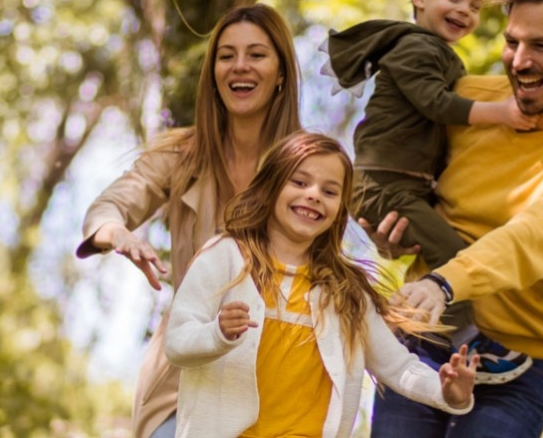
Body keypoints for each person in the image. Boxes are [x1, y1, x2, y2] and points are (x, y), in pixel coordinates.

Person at [364, 0, 543, 438]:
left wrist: (444, 283)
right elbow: (394, 161)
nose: (520, 61)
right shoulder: (467, 102)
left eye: (541, 46)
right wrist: (384, 227)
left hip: (518, 366)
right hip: (423, 338)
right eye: (513, 43)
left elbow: (531, 238)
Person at [76, 3, 307, 438]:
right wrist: (116, 233)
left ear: (281, 73)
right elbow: (111, 205)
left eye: (257, 54)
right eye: (226, 55)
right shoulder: (180, 155)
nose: (240, 66)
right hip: (187, 377)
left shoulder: (309, 167)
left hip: (277, 376)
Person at [165, 131, 478, 438]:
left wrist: (448, 393)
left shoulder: (346, 291)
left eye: (329, 191)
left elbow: (398, 366)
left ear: (340, 209)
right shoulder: (224, 256)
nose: (313, 194)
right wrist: (217, 333)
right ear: (270, 186)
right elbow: (178, 343)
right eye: (299, 182)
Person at [327, 0, 533, 279]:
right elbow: (436, 103)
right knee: (456, 265)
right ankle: (445, 328)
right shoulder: (415, 47)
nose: (464, 10)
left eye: (475, 6)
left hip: (406, 186)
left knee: (460, 248)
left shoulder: (439, 53)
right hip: (382, 185)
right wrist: (501, 112)